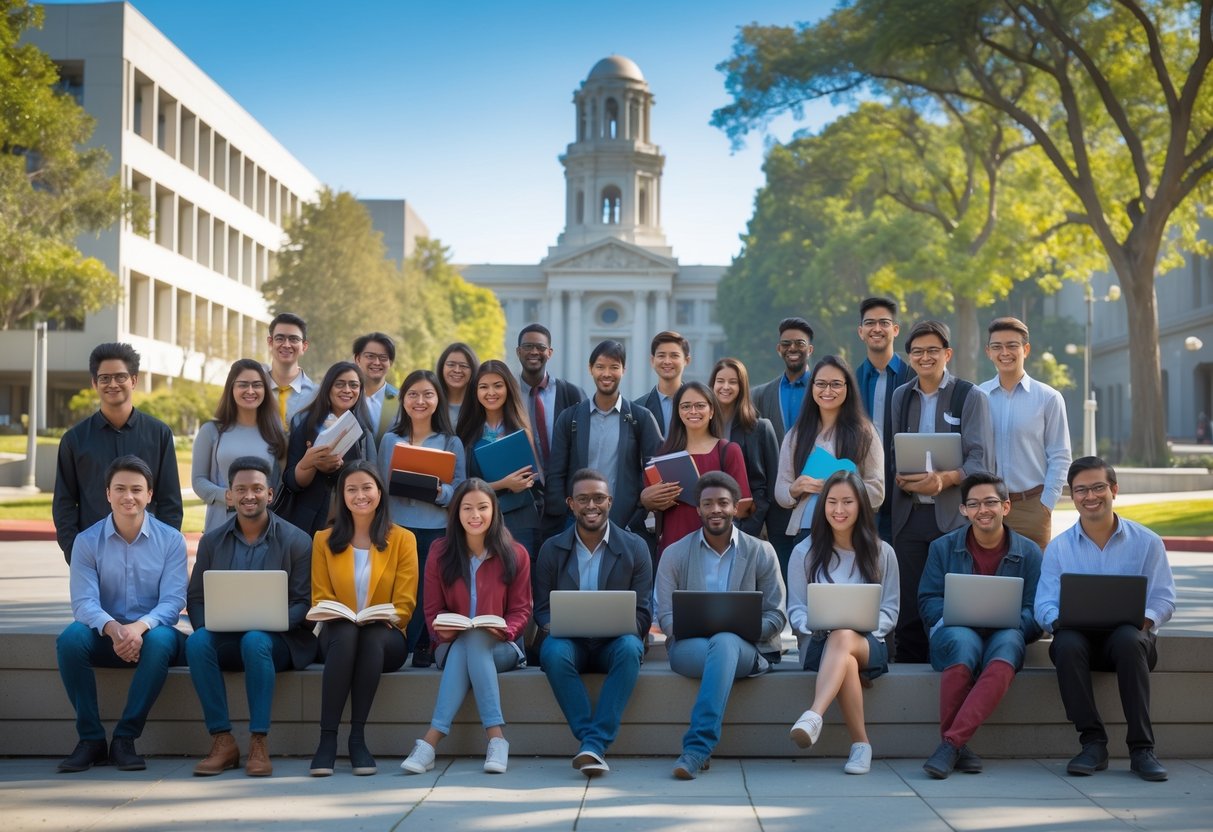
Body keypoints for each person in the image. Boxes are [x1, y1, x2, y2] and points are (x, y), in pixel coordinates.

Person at [1034, 457, 1176, 782]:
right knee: (1066, 643)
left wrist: (1144, 620)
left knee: (1128, 639)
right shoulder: (1058, 549)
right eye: (1081, 490)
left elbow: (1164, 598)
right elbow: (1044, 603)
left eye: (1098, 487)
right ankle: (1093, 743)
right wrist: (1060, 621)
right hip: (1080, 641)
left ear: (1114, 490)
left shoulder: (1147, 542)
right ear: (1073, 495)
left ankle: (1142, 750)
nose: (1090, 496)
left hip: (1130, 642)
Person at [55, 455, 187, 773]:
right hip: (106, 634)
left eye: (137, 489)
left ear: (149, 495)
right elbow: (84, 603)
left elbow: (172, 602)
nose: (129, 497)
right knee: (70, 640)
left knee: (158, 641)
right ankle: (91, 740)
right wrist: (115, 629)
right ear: (108, 493)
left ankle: (125, 738)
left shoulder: (171, 541)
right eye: (120, 489)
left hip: (154, 633)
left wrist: (138, 629)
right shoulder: (86, 542)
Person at [186, 456, 316, 777]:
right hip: (228, 636)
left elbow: (304, 602)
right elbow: (196, 598)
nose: (249, 495)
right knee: (198, 641)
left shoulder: (298, 540)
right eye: (240, 489)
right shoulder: (212, 541)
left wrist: (273, 620)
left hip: (281, 640)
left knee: (256, 639)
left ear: (270, 494)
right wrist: (212, 623)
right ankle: (222, 740)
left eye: (257, 488)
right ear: (229, 495)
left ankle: (259, 741)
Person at [656, 472, 786, 780]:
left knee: (726, 641)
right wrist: (709, 634)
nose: (716, 509)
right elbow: (666, 617)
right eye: (708, 503)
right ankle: (698, 748)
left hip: (749, 648)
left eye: (723, 503)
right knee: (722, 643)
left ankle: (696, 748)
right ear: (697, 509)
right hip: (689, 648)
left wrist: (745, 630)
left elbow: (777, 614)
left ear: (736, 507)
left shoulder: (761, 551)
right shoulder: (674, 554)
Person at [401, 480, 533, 776]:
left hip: (501, 646)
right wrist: (441, 632)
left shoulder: (516, 553)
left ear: (494, 511)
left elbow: (522, 611)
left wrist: (505, 630)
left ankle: (430, 742)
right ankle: (497, 739)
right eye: (467, 508)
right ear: (456, 512)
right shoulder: (440, 551)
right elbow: (432, 609)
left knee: (474, 639)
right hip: (451, 643)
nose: (476, 515)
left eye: (483, 507)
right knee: (467, 641)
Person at [918, 473, 1043, 779]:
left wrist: (1010, 621)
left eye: (990, 502)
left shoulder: (1029, 553)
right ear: (963, 510)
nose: (982, 510)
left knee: (1009, 645)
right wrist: (956, 616)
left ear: (1006, 506)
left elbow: (1035, 610)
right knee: (963, 643)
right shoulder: (942, 548)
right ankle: (957, 745)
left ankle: (950, 744)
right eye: (973, 504)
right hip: (957, 630)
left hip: (1006, 632)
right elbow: (928, 600)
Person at [533, 469, 652, 776]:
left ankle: (593, 743)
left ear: (610, 502)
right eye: (583, 499)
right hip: (570, 642)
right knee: (552, 651)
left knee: (630, 646)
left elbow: (642, 612)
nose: (591, 506)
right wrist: (555, 626)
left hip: (614, 643)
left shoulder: (635, 547)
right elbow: (543, 610)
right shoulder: (551, 549)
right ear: (571, 503)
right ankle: (593, 742)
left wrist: (617, 624)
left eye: (598, 498)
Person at [889, 320, 993, 663]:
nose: (925, 357)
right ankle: (909, 671)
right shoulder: (901, 396)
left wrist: (945, 480)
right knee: (910, 601)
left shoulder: (970, 395)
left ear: (947, 354)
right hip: (908, 514)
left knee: (953, 599)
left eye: (933, 350)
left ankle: (954, 662)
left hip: (952, 518)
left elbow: (981, 461)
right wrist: (902, 476)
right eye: (917, 351)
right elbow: (896, 451)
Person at [786, 471, 899, 775]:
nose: (839, 510)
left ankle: (813, 714)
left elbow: (890, 610)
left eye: (847, 502)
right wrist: (816, 625)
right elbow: (795, 609)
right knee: (843, 653)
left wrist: (865, 629)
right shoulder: (803, 552)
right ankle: (861, 745)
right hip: (818, 645)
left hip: (869, 644)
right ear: (822, 507)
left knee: (845, 635)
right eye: (832, 502)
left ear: (861, 505)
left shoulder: (882, 552)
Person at [309, 462, 417, 777]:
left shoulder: (402, 539)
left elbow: (405, 601)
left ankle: (357, 737)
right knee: (346, 632)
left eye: (367, 488)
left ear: (379, 492)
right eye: (351, 489)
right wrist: (345, 615)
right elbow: (320, 596)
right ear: (341, 496)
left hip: (386, 635)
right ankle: (327, 740)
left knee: (368, 636)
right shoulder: (323, 540)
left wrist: (383, 616)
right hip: (338, 634)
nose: (360, 496)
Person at [53, 342, 182, 564]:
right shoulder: (74, 440)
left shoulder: (159, 434)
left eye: (120, 377)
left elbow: (170, 501)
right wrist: (75, 551)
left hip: (149, 555)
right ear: (94, 383)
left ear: (133, 380)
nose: (112, 384)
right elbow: (64, 504)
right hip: (93, 555)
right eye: (105, 378)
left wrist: (162, 550)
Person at [378, 369, 466, 668]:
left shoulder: (451, 442)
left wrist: (439, 492)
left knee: (430, 590)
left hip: (436, 528)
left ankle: (426, 645)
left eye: (428, 394)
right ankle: (398, 643)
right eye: (413, 394)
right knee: (402, 589)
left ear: (437, 400)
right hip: (398, 527)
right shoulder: (390, 440)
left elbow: (460, 491)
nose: (420, 400)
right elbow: (379, 487)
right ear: (403, 400)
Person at [544, 340, 663, 543]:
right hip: (575, 523)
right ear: (591, 369)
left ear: (623, 370)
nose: (606, 373)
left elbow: (655, 471)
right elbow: (556, 473)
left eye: (614, 367)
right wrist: (566, 513)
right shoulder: (569, 418)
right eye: (600, 367)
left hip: (624, 524)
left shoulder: (640, 418)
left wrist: (639, 512)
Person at [774, 356, 884, 565]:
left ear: (847, 388)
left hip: (852, 531)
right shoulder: (796, 434)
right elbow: (780, 490)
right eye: (821, 384)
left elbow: (878, 491)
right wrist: (795, 488)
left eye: (836, 384)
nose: (827, 391)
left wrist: (839, 490)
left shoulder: (865, 432)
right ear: (812, 387)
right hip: (806, 529)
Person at [979, 317, 1071, 550]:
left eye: (1012, 345)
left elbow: (1060, 455)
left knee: (1033, 581)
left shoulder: (1048, 398)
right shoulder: (977, 396)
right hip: (987, 505)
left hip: (1031, 505)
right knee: (991, 580)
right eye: (997, 347)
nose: (1005, 352)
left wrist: (1046, 504)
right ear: (988, 352)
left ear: (1026, 349)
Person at [641, 382, 751, 560]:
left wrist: (715, 504)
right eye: (685, 406)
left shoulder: (728, 450)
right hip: (673, 544)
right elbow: (650, 503)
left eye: (700, 406)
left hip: (717, 545)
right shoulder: (664, 455)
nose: (693, 411)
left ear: (712, 411)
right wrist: (649, 498)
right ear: (678, 411)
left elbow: (744, 504)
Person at [456, 360, 543, 559]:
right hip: (478, 521)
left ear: (508, 389)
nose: (491, 393)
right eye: (484, 387)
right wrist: (503, 484)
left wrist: (524, 482)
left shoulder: (522, 431)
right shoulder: (466, 433)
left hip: (521, 519)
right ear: (475, 392)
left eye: (498, 386)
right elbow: (462, 484)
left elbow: (534, 478)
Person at [279, 362, 377, 535]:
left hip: (350, 523)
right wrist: (309, 463)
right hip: (307, 521)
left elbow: (373, 481)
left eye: (353, 385)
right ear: (328, 387)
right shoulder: (305, 424)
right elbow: (290, 482)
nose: (347, 390)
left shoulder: (364, 432)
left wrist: (340, 470)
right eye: (339, 384)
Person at [192, 359, 288, 532]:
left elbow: (282, 482)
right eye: (243, 385)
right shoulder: (212, 431)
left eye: (257, 385)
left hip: (264, 531)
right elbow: (198, 480)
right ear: (232, 388)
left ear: (265, 390)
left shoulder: (275, 433)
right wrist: (228, 496)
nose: (250, 391)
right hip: (220, 528)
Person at [750, 317, 815, 570]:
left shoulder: (825, 389)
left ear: (809, 349)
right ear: (779, 349)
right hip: (777, 505)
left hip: (817, 499)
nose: (792, 348)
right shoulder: (761, 395)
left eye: (799, 343)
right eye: (786, 344)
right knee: (781, 576)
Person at [853, 297, 914, 540]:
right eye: (869, 323)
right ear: (861, 332)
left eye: (884, 323)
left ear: (895, 330)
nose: (876, 329)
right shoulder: (850, 381)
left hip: (907, 492)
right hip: (862, 491)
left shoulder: (914, 377)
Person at [710, 358, 779, 541]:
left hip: (748, 528)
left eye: (733, 382)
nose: (725, 387)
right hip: (707, 524)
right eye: (720, 381)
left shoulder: (760, 428)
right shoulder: (701, 428)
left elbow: (770, 488)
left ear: (742, 387)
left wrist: (750, 527)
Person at [515, 323, 586, 480]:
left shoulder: (572, 394)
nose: (534, 352)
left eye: (540, 347)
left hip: (564, 486)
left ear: (550, 352)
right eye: (528, 346)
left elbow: (584, 445)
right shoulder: (509, 394)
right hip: (522, 489)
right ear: (518, 352)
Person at [265, 312, 316, 429]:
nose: (286, 345)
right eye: (280, 338)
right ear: (270, 343)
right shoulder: (253, 391)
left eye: (294, 339)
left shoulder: (317, 396)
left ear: (304, 346)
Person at [635, 330, 690, 438]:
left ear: (686, 360)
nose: (667, 361)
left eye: (674, 356)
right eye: (661, 355)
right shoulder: (638, 408)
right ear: (652, 360)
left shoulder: (700, 405)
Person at [353, 331, 399, 443]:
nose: (377, 362)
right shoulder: (345, 396)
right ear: (358, 359)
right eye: (370, 356)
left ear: (390, 363)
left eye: (383, 358)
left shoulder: (401, 400)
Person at [437, 342, 480, 426]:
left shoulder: (481, 405)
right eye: (451, 365)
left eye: (463, 366)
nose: (457, 370)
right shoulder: (430, 403)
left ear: (473, 370)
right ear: (442, 367)